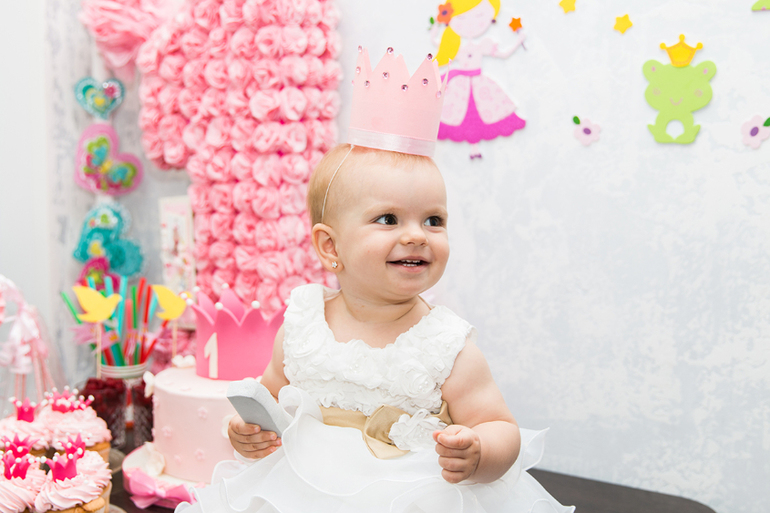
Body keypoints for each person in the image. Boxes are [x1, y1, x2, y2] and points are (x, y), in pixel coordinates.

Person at [176, 47, 572, 513]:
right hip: (305, 493)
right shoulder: (303, 326)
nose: (416, 236)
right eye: (388, 219)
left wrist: (479, 451)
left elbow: (500, 426)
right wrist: (250, 431)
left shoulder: (446, 345)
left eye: (433, 220)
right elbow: (273, 396)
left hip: (413, 496)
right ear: (330, 247)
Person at [433, 0, 527, 159]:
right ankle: (473, 147)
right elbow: (436, 43)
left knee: (484, 111)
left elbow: (503, 53)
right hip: (460, 86)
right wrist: (436, 24)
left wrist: (519, 40)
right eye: (461, 18)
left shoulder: (483, 45)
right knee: (459, 113)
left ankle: (475, 147)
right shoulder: (456, 47)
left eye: (479, 16)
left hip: (479, 85)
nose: (470, 23)